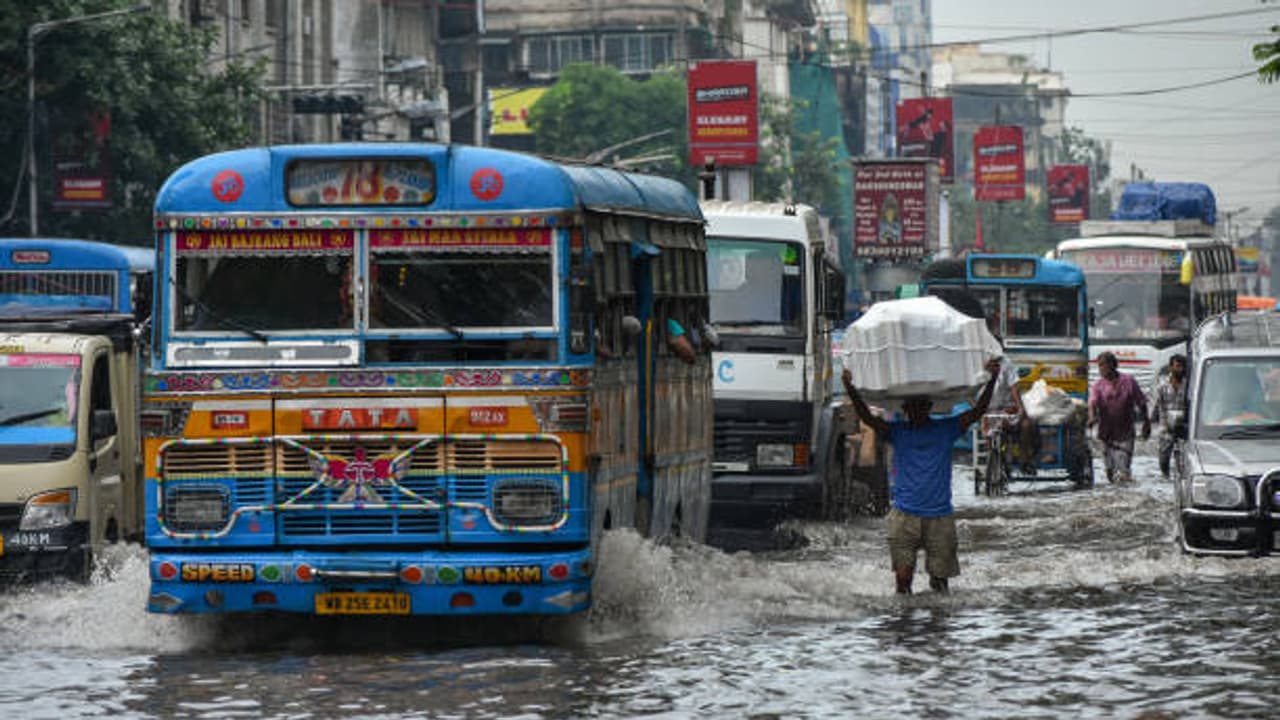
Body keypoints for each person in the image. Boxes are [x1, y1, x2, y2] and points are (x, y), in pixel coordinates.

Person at [841, 357, 1001, 595]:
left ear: (928, 409)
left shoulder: (946, 429)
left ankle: (934, 628)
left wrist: (992, 379)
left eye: (920, 408)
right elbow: (867, 418)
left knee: (940, 584)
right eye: (910, 409)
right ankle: (905, 626)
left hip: (939, 517)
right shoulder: (897, 432)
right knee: (903, 581)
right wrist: (850, 388)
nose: (915, 413)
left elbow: (978, 411)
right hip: (904, 516)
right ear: (905, 412)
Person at [1087, 351, 1150, 483]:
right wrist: (1092, 417)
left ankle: (1126, 496)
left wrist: (1146, 422)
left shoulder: (1128, 381)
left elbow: (1141, 402)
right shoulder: (1098, 386)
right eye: (1099, 366)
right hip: (1106, 434)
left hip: (1125, 434)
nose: (1101, 369)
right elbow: (1092, 404)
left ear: (1113, 365)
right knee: (1110, 472)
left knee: (1123, 472)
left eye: (1103, 365)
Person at [1150, 354, 1188, 479]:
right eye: (1177, 366)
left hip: (1184, 426)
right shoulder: (1162, 385)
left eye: (1182, 366)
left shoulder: (1189, 385)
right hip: (1166, 427)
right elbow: (1156, 406)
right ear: (1171, 367)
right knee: (1164, 458)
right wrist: (1150, 422)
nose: (1180, 369)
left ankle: (1181, 478)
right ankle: (1165, 476)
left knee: (1182, 458)